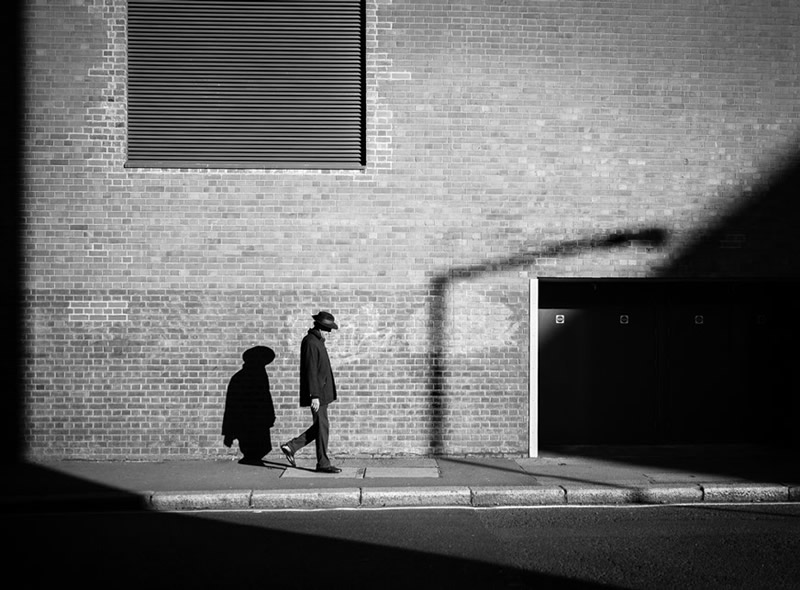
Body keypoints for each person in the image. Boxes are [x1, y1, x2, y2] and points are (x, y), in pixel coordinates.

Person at [281, 311, 342, 473]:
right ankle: (322, 463)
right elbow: (311, 371)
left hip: (323, 392)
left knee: (321, 427)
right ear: (320, 327)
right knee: (322, 427)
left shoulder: (317, 341)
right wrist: (314, 395)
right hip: (318, 394)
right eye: (327, 329)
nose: (329, 333)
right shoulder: (310, 342)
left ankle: (291, 446)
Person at [222, 346, 276, 466]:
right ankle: (252, 457)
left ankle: (251, 456)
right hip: (254, 415)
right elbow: (264, 396)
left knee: (252, 438)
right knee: (257, 439)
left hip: (247, 415)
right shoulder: (258, 374)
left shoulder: (241, 376)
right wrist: (269, 414)